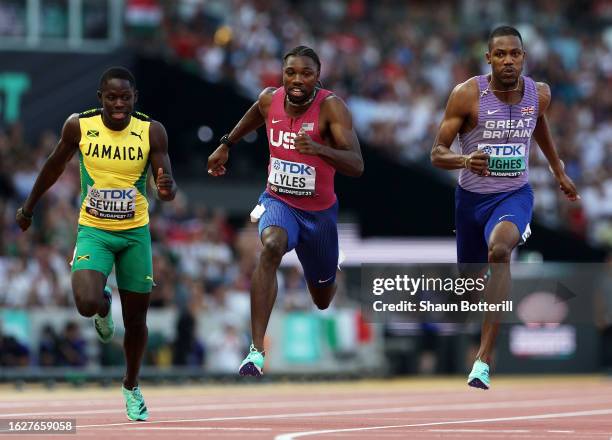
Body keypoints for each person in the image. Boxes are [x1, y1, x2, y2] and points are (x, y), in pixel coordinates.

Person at [16, 67, 177, 419]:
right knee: (86, 302)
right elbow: (53, 166)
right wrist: (29, 207)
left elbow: (166, 183)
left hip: (135, 234)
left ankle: (131, 385)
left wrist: (166, 190)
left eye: (125, 97)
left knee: (136, 322)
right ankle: (104, 306)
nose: (119, 104)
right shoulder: (79, 126)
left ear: (135, 98)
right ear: (100, 97)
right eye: (111, 97)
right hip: (95, 229)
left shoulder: (151, 131)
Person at [430, 26, 579, 390]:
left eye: (514, 53)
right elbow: (437, 153)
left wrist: (557, 169)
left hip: (513, 195)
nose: (508, 60)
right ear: (488, 58)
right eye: (500, 54)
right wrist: (466, 160)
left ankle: (483, 359)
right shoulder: (467, 95)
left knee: (500, 249)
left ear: (523, 57)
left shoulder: (538, 93)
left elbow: (537, 121)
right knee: (467, 286)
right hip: (470, 201)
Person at [207, 45, 363, 376]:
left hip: (319, 216)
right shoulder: (269, 99)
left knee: (322, 298)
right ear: (282, 73)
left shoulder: (332, 108)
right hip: (279, 201)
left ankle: (328, 271)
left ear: (317, 76)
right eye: (290, 72)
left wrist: (320, 149)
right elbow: (255, 114)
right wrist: (226, 144)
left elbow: (356, 165)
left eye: (306, 73)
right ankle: (256, 350)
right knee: (271, 245)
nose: (297, 79)